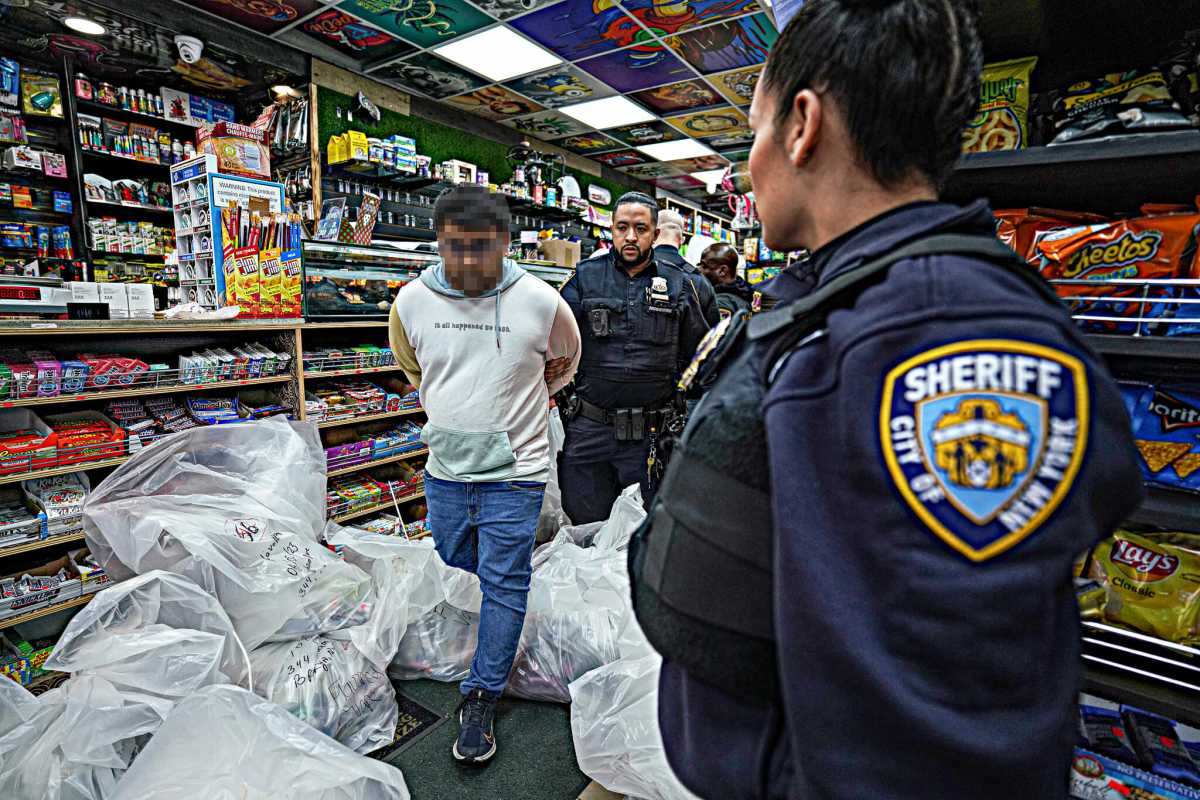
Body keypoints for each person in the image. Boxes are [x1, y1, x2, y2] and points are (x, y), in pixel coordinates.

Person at [629, 2, 1143, 799]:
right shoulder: (863, 302)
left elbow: (921, 744)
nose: (746, 164)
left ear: (803, 125)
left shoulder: (931, 336)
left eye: (754, 129)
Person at [389, 184, 580, 766]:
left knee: (503, 580)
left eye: (482, 247)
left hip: (517, 469)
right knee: (451, 550)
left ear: (505, 242)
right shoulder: (411, 302)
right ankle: (512, 591)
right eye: (455, 247)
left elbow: (563, 367)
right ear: (438, 242)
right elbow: (412, 365)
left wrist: (514, 408)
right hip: (446, 466)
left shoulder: (543, 302)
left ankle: (481, 693)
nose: (468, 261)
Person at [558, 192, 715, 524]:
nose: (630, 236)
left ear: (655, 235)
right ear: (611, 230)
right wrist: (561, 396)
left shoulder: (680, 284)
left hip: (651, 438)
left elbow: (701, 360)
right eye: (622, 227)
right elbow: (551, 342)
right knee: (585, 531)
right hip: (589, 435)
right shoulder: (584, 278)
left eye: (641, 228)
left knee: (644, 538)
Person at [698, 242, 755, 318]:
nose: (699, 269)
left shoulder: (720, 304)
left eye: (704, 266)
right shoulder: (743, 293)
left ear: (722, 271)